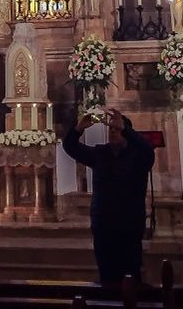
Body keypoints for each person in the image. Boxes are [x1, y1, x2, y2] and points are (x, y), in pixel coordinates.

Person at [62, 107, 155, 290]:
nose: (113, 133)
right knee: (107, 275)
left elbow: (148, 151)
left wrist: (126, 129)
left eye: (117, 130)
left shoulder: (138, 157)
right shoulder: (100, 153)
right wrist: (78, 129)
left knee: (131, 275)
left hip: (129, 223)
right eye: (111, 130)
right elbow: (70, 147)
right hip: (103, 222)